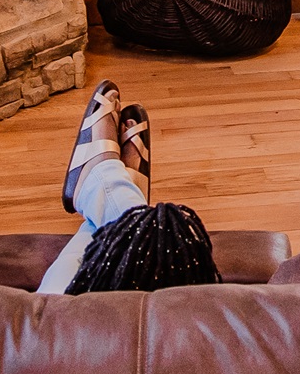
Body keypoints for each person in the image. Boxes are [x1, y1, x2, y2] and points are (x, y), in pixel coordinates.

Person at [46, 79, 218, 294]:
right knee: (114, 232)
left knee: (65, 291)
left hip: (61, 314)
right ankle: (115, 194)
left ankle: (110, 183)